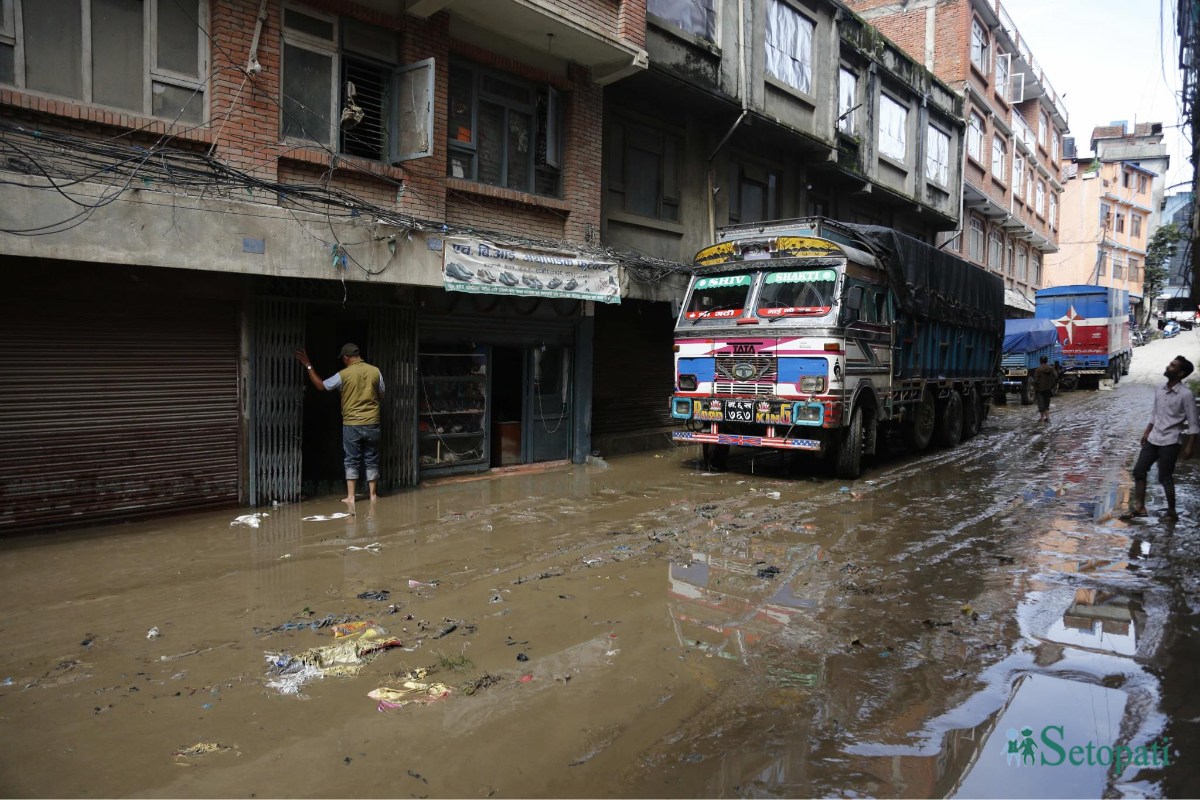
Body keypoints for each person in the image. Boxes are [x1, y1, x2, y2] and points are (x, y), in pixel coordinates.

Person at [295, 343, 386, 513]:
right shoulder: (376, 371)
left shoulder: (343, 375)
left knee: (352, 459)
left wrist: (308, 364)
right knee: (372, 459)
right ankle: (373, 495)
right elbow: (381, 394)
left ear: (346, 358)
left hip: (352, 424)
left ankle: (351, 497)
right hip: (372, 422)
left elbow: (321, 386)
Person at [1130, 355, 1198, 522]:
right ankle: (1140, 507)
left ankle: (1172, 511)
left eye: (1173, 366)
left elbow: (1194, 423)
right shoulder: (1160, 390)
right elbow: (1155, 414)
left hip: (1171, 441)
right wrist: (1147, 433)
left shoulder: (1185, 394)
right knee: (1139, 470)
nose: (1168, 367)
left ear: (1181, 373)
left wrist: (1189, 446)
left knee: (1165, 477)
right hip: (1153, 439)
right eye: (1170, 364)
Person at [1031, 354, 1058, 423]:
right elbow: (1056, 376)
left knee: (1041, 405)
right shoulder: (1051, 369)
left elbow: (1036, 380)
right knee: (1047, 404)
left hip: (1040, 390)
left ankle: (1042, 419)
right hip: (1048, 389)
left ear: (1040, 361)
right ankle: (1048, 419)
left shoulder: (1038, 370)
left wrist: (1033, 386)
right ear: (1047, 361)